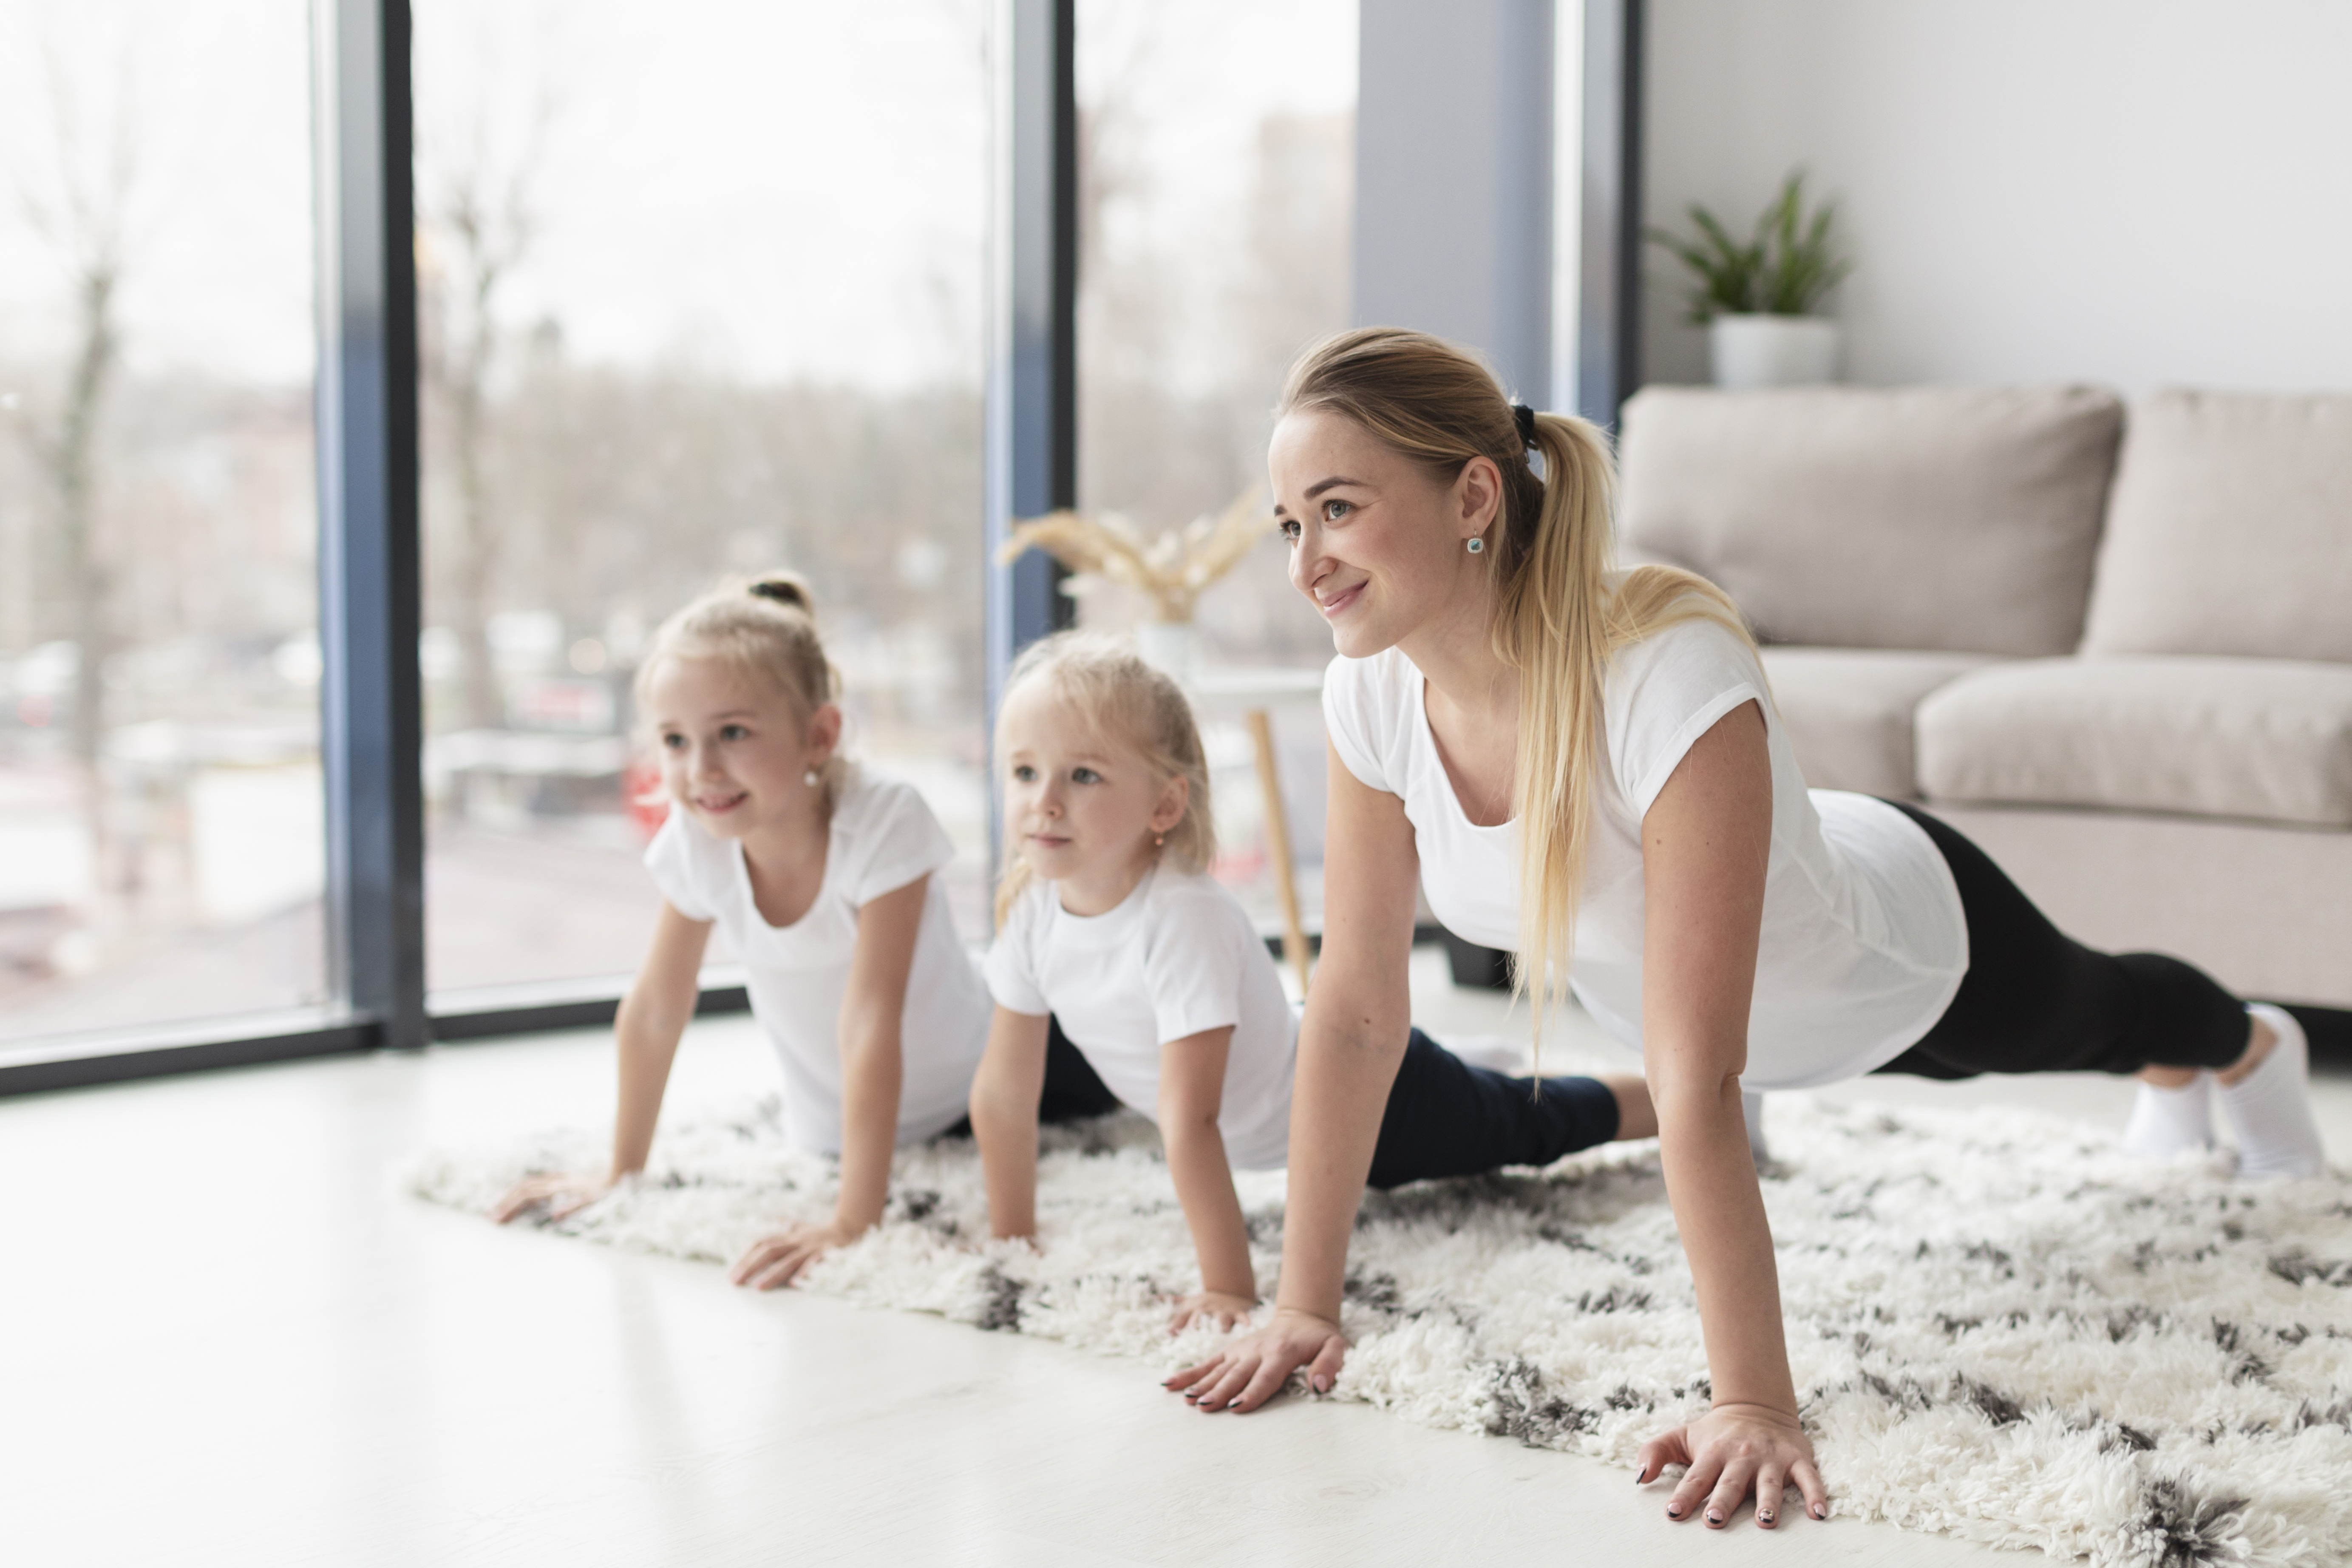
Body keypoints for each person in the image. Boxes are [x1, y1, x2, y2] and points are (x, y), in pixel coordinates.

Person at [1162, 328, 2329, 1531]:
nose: (1305, 562)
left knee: (2104, 1015)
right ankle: (2186, 1074)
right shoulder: (1369, 689)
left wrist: (1754, 1402)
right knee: (2028, 1036)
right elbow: (1355, 1011)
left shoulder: (1660, 658)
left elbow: (1699, 1072)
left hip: (1891, 956)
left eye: (1337, 508)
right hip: (1737, 1001)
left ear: (1469, 493)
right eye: (1287, 524)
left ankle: (2243, 1050)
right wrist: (1303, 1301)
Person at [971, 631, 1658, 1331]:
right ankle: (1480, 1059)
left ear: (1165, 805)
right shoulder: (1029, 909)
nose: (1044, 801)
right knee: (1489, 1087)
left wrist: (1229, 1288)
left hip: (1367, 1099)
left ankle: (1673, 1102)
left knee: (1525, 1121)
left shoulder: (1181, 920)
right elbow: (1002, 1088)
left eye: (1082, 775)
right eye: (1024, 773)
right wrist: (1011, 1229)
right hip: (1293, 1078)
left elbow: (1190, 1119)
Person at [491, 573, 1115, 1288]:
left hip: (986, 1079)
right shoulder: (700, 838)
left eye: (732, 733)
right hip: (830, 1126)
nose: (702, 769)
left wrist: (856, 1216)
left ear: (819, 735)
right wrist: (619, 1168)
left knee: (1129, 1045)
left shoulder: (881, 818)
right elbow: (658, 1006)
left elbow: (871, 1017)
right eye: (674, 740)